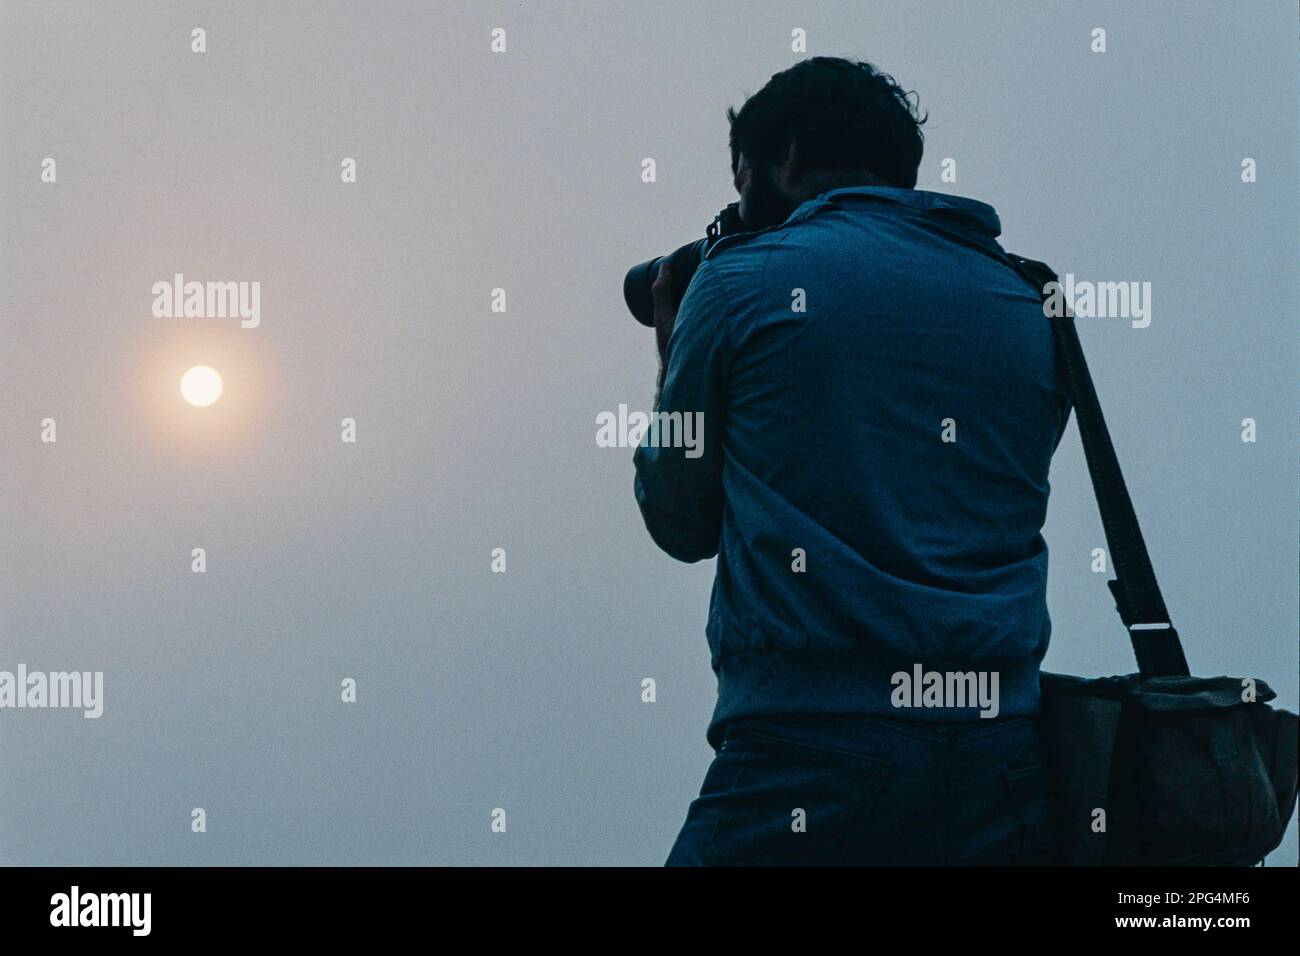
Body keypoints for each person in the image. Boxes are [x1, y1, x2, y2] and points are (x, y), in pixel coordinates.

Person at [632, 57, 1071, 866]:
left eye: (742, 176)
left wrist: (677, 359)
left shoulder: (740, 282)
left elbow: (680, 520)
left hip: (807, 749)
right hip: (1004, 754)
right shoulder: (1028, 301)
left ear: (787, 159)